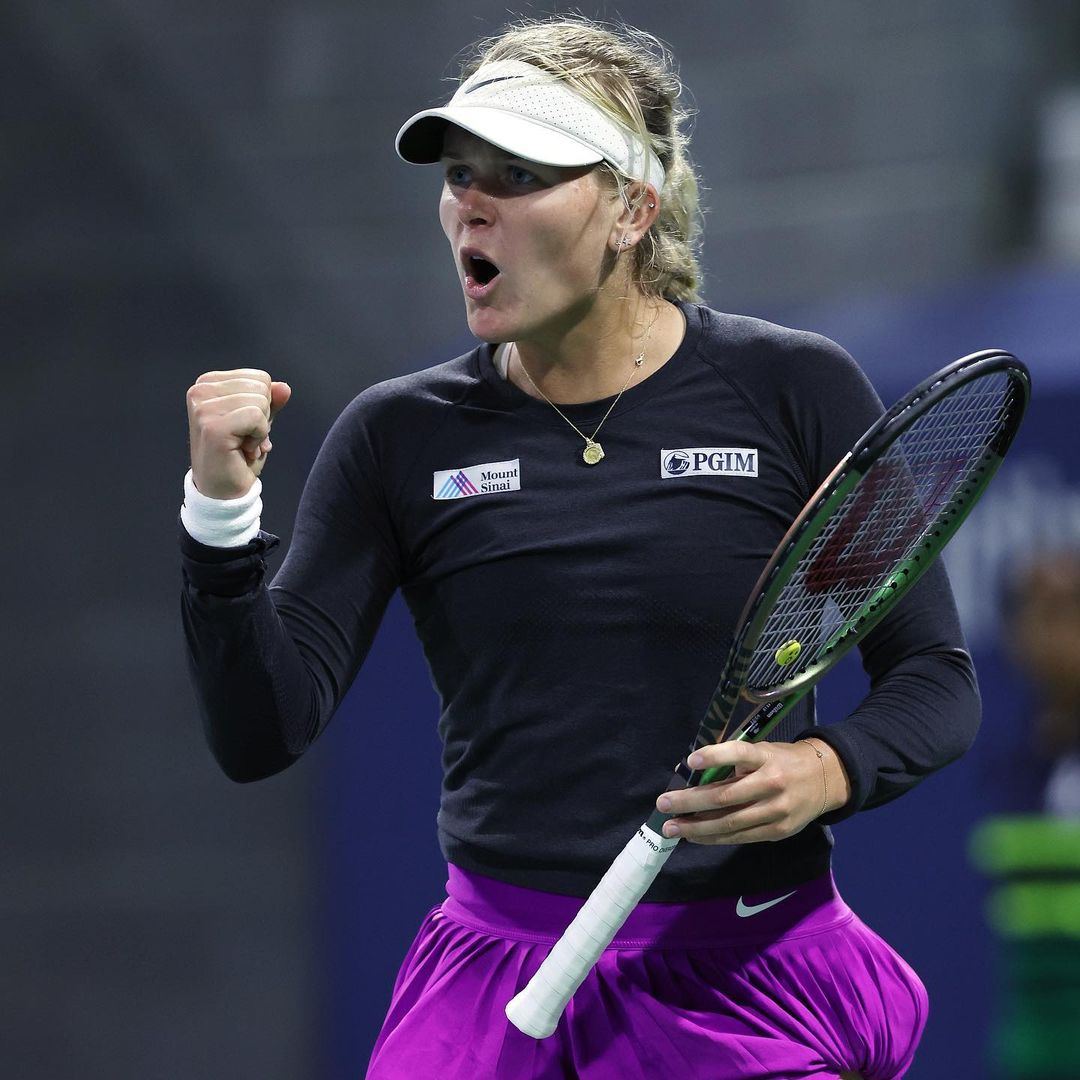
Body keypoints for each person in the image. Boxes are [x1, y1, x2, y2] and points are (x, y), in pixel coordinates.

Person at [179, 16, 980, 1079]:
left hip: (744, 978)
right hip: (494, 974)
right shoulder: (396, 436)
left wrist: (829, 766)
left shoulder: (796, 391)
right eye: (460, 177)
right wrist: (221, 515)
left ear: (632, 210)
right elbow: (260, 733)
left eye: (519, 176)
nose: (472, 205)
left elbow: (934, 677)